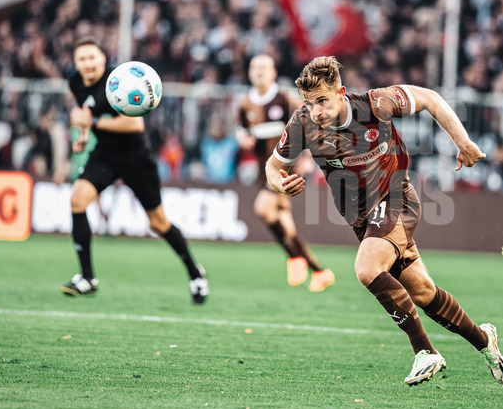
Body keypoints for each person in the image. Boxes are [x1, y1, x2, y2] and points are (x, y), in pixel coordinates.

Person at [265, 56, 503, 386]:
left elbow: (431, 99)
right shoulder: (302, 124)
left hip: (397, 199)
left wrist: (463, 143)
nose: (317, 111)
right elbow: (272, 166)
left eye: (322, 101)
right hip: (362, 220)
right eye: (310, 104)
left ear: (341, 92)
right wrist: (280, 183)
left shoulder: (376, 103)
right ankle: (484, 341)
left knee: (367, 269)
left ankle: (425, 351)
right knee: (423, 294)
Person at [63, 37, 209, 304]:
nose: (87, 64)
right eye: (82, 59)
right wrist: (83, 134)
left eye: (92, 58)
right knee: (77, 199)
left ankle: (195, 273)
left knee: (158, 223)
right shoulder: (75, 82)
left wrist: (92, 122)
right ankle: (87, 278)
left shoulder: (119, 81)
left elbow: (134, 126)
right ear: (76, 63)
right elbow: (86, 112)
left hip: (135, 157)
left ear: (102, 59)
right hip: (105, 155)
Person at [238, 54, 334, 291]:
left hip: (286, 167)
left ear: (273, 72)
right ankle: (320, 272)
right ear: (250, 73)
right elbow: (242, 131)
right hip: (265, 168)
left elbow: (310, 123)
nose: (259, 72)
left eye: (264, 67)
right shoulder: (245, 105)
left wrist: (309, 157)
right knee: (285, 226)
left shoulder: (284, 100)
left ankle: (294, 257)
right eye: (255, 68)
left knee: (262, 208)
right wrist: (244, 139)